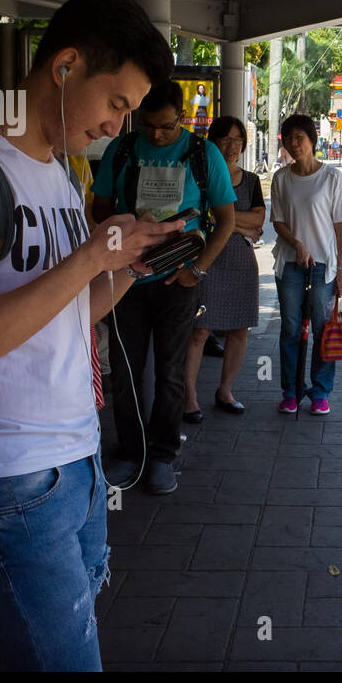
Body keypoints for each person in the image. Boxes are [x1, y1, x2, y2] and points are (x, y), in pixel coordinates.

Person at [0, 0, 183, 671]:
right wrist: (91, 253)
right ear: (64, 67)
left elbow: (67, 314)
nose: (118, 127)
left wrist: (131, 267)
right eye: (115, 104)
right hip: (5, 475)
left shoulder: (58, 171)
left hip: (75, 462)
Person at [92, 80, 236, 494]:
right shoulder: (121, 150)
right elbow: (100, 210)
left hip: (179, 280)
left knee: (171, 372)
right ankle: (131, 453)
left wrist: (199, 269)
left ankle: (161, 456)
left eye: (166, 127)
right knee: (125, 368)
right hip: (125, 280)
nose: (156, 135)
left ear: (183, 119)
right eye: (148, 126)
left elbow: (225, 220)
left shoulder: (201, 153)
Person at [270, 114, 342, 415]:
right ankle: (290, 391)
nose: (295, 144)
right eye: (289, 138)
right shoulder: (281, 178)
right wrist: (297, 244)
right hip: (291, 264)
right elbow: (278, 222)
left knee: (323, 329)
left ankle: (320, 391)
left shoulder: (331, 177)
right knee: (290, 328)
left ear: (312, 140)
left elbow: (340, 228)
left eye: (300, 138)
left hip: (324, 267)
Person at [183, 116, 264, 419]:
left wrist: (225, 220)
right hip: (207, 259)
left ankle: (225, 390)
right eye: (225, 139)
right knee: (200, 331)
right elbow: (200, 216)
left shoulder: (252, 181)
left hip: (241, 263)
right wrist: (239, 226)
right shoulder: (200, 176)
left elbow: (258, 220)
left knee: (239, 329)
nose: (232, 146)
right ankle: (189, 396)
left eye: (237, 140)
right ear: (212, 142)